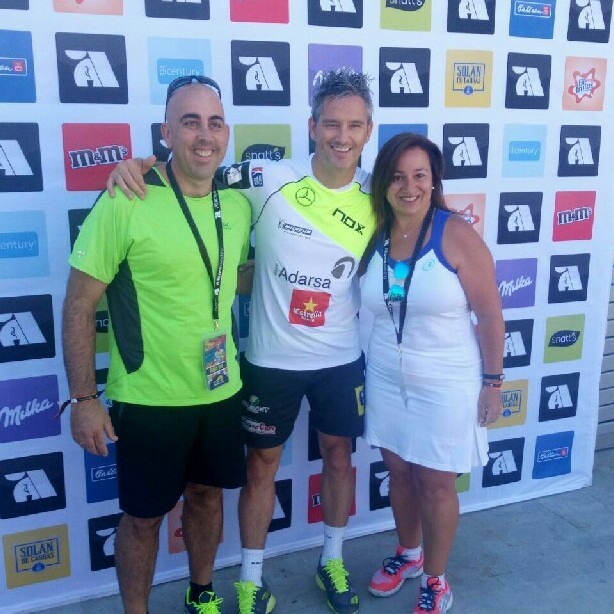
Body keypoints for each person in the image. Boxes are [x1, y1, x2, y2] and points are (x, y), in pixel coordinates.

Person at [107, 68, 375, 614]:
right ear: (312, 126)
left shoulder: (380, 191)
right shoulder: (267, 176)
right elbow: (193, 169)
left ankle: (333, 560)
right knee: (259, 468)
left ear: (368, 130)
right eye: (331, 124)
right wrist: (135, 166)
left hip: (342, 356)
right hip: (270, 359)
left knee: (339, 457)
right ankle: (251, 580)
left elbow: (426, 206)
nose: (341, 137)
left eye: (354, 125)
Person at [61, 75, 252, 614]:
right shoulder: (127, 197)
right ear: (166, 133)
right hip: (148, 397)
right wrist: (84, 399)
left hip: (220, 389)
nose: (204, 135)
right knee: (143, 519)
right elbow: (78, 304)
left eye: (215, 122)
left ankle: (201, 593)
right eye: (190, 122)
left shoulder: (238, 204)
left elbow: (230, 278)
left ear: (226, 133)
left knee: (207, 497)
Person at [359, 133, 504, 613]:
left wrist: (493, 383)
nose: (409, 187)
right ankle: (409, 554)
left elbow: (490, 314)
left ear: (434, 180)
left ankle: (436, 579)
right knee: (399, 473)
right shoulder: (375, 232)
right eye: (398, 177)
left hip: (446, 381)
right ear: (383, 183)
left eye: (420, 175)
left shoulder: (455, 233)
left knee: (437, 484)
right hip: (386, 375)